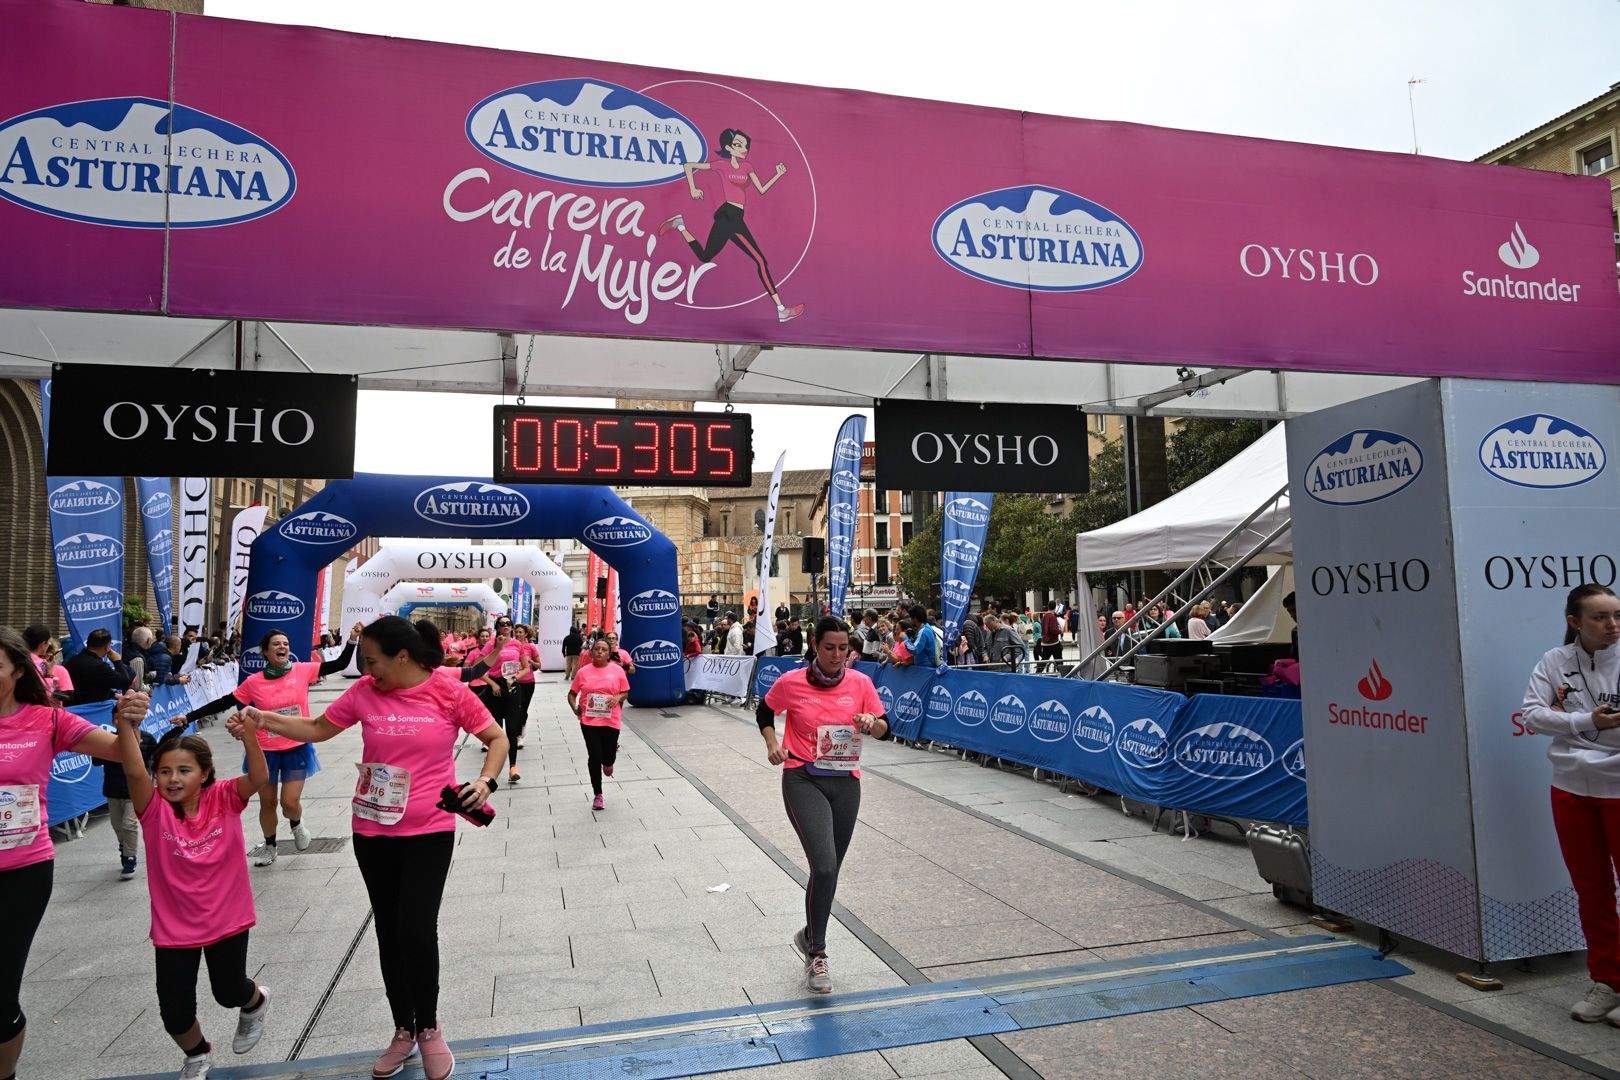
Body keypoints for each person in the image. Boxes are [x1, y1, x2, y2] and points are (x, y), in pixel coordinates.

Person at [247, 617, 507, 1080]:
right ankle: (402, 1030)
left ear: (401, 656)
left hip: (429, 829)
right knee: (388, 930)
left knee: (416, 928)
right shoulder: (365, 691)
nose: (367, 669)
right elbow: (318, 728)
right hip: (372, 829)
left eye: (372, 660)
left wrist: (485, 781)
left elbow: (495, 738)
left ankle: (428, 1027)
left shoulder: (446, 690)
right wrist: (265, 718)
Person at [0, 626, 142, 1080]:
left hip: (21, 872)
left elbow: (122, 753)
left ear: (17, 671)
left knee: (1, 998)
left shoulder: (47, 720)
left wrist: (126, 721)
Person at [112, 703, 271, 1080]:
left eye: (184, 770)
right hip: (174, 928)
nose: (172, 778)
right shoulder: (153, 810)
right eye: (164, 771)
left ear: (205, 774)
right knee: (175, 1011)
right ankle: (197, 1054)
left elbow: (260, 776)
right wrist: (124, 724)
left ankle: (255, 1001)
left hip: (227, 918)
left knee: (228, 992)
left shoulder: (226, 797)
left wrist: (250, 736)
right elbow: (134, 771)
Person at [757, 617, 889, 994]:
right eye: (829, 647)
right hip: (804, 778)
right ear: (815, 645)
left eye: (843, 649)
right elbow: (765, 712)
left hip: (846, 783)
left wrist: (870, 723)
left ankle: (808, 933)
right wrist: (772, 745)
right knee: (825, 865)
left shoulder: (861, 683)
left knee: (829, 873)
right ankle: (818, 954)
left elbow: (885, 726)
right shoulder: (792, 682)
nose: (836, 655)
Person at [1520, 584, 1620, 1023]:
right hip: (1571, 789)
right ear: (1574, 622)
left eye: (1617, 615)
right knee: (1592, 889)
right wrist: (1586, 720)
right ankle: (1609, 980)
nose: (1612, 625)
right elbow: (1532, 714)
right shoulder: (1554, 661)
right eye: (1600, 617)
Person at [186, 624, 359, 867]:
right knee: (268, 803)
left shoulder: (302, 670)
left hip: (296, 746)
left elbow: (339, 664)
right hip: (265, 751)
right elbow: (224, 702)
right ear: (265, 652)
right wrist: (188, 717)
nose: (282, 647)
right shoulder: (254, 682)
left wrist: (352, 640)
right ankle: (270, 846)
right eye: (276, 644)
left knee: (289, 803)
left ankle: (296, 823)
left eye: (285, 644)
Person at [658, 127, 805, 323]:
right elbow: (688, 166)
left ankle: (680, 224)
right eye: (738, 145)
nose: (743, 148)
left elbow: (761, 189)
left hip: (735, 217)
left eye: (745, 145)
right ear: (729, 147)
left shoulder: (748, 167)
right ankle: (781, 310)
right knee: (760, 261)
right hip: (729, 215)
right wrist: (693, 188)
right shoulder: (721, 165)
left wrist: (778, 174)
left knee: (705, 256)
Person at [568, 638, 632, 811]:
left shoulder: (617, 670)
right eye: (597, 649)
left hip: (611, 720)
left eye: (604, 649)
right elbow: (572, 694)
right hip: (589, 721)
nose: (600, 652)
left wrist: (617, 698)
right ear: (591, 652)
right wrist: (575, 708)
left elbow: (625, 691)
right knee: (594, 756)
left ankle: (609, 763)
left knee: (608, 755)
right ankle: (598, 794)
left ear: (609, 653)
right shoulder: (583, 672)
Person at [1037, 601, 1063, 674]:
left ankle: (1037, 673)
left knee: (1044, 660)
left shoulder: (1045, 615)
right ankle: (1063, 674)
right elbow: (1053, 630)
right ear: (1055, 607)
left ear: (1048, 606)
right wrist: (1060, 631)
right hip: (1053, 642)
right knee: (1059, 660)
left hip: (1045, 642)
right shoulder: (1052, 616)